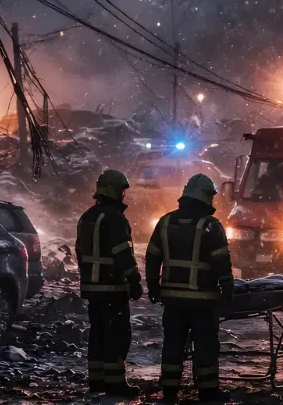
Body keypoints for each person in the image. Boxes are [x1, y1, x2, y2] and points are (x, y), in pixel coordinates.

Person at [144, 174, 234, 403]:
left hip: (172, 299)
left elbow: (153, 257)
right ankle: (208, 391)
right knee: (205, 345)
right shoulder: (211, 226)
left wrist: (153, 285)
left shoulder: (165, 222)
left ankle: (169, 391)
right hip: (202, 299)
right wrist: (228, 291)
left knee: (173, 343)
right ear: (206, 197)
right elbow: (221, 262)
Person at [76, 169, 143, 396]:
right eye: (122, 190)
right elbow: (122, 252)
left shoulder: (88, 216)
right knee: (117, 334)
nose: (124, 195)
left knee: (98, 334)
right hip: (112, 288)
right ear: (113, 191)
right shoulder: (114, 217)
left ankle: (97, 380)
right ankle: (115, 383)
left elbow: (80, 252)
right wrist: (134, 280)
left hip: (93, 289)